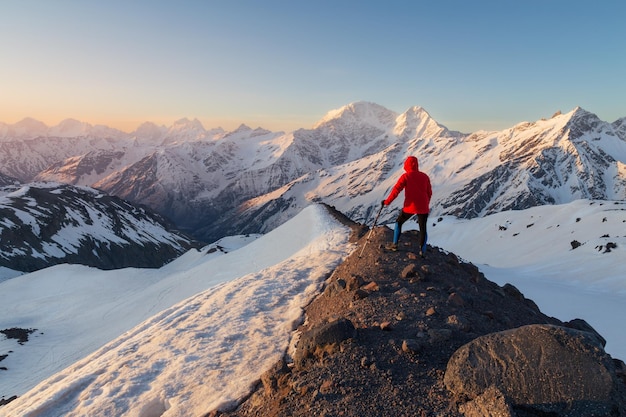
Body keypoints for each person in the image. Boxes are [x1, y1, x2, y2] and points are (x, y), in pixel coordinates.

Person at [382, 155, 432, 257]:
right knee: (423, 228)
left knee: (399, 222)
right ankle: (422, 251)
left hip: (410, 206)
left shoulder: (406, 176)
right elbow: (429, 193)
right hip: (423, 206)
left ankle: (395, 244)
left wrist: (387, 202)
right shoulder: (425, 176)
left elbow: (396, 191)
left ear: (406, 165)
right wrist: (426, 203)